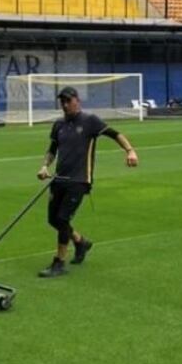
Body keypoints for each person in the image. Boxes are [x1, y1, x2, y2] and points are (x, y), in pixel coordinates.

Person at [36, 85, 138, 277]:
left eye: (68, 100)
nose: (65, 104)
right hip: (59, 179)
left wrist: (130, 150)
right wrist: (45, 166)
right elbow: (52, 150)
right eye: (62, 101)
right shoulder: (58, 124)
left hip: (79, 180)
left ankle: (59, 263)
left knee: (63, 219)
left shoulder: (90, 121)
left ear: (77, 100)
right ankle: (81, 242)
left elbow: (115, 134)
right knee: (53, 219)